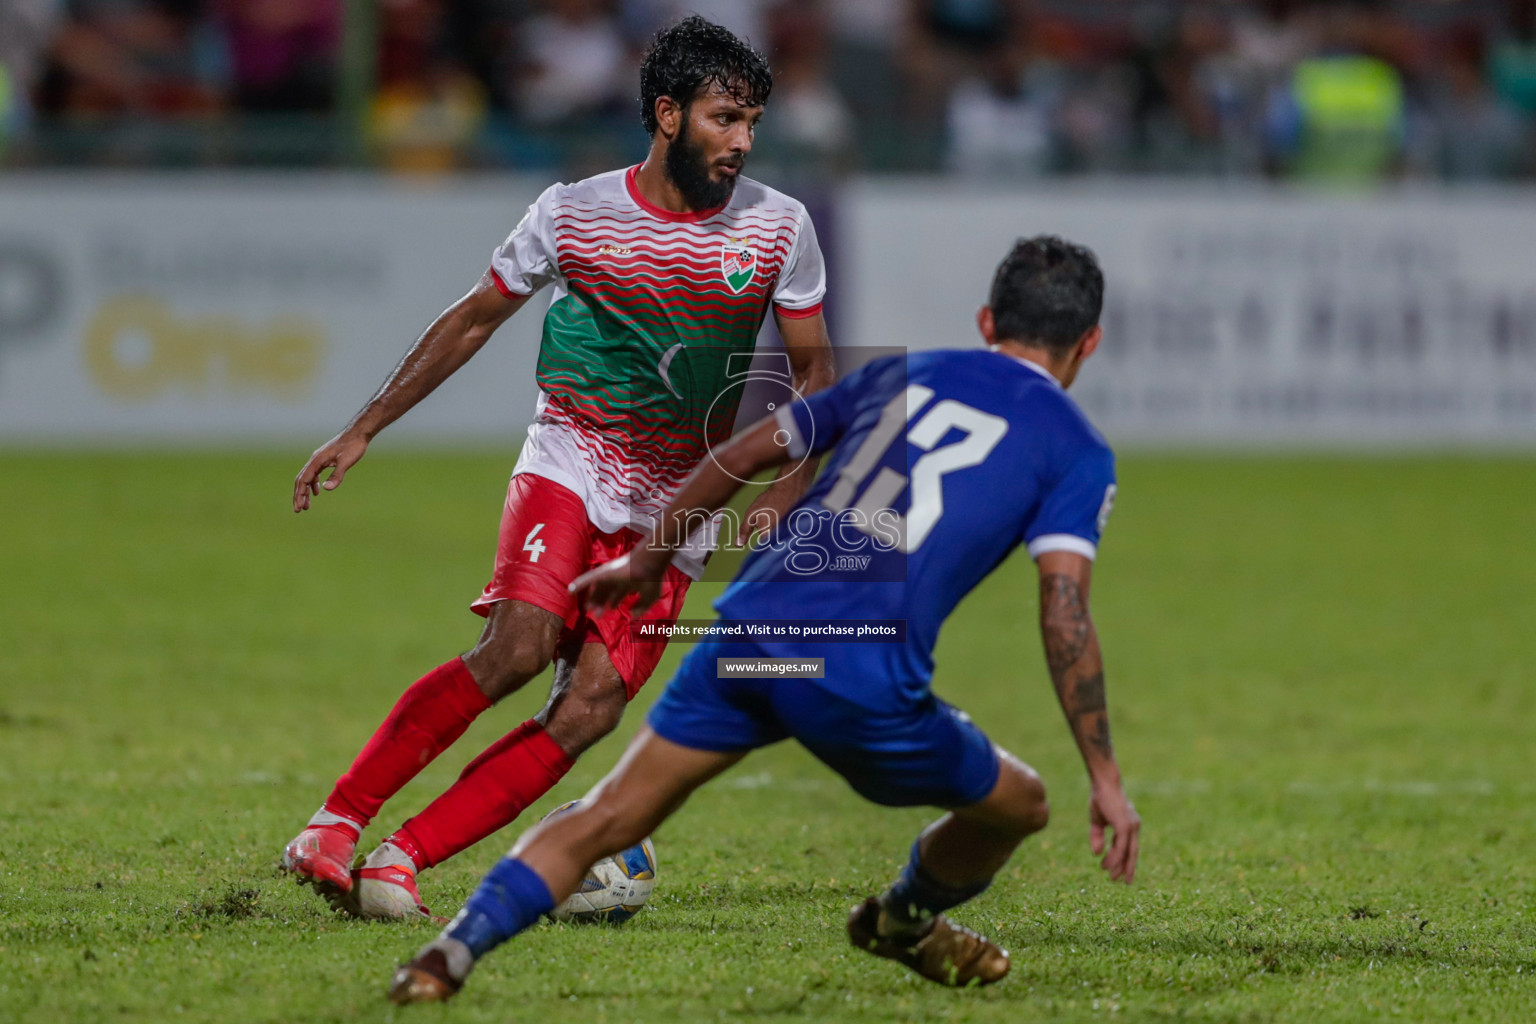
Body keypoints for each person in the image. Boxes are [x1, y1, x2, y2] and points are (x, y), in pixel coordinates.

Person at [387, 235, 1140, 1001]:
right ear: (1090, 342)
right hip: (859, 677)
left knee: (610, 812)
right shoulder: (1077, 450)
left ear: (986, 321)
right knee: (1021, 802)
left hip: (750, 634)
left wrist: (648, 557)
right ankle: (904, 919)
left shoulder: (902, 374)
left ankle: (445, 957)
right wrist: (1105, 777)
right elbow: (1063, 609)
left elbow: (743, 451)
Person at [280, 15, 835, 921]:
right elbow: (471, 319)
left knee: (589, 710)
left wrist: (786, 493)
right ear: (666, 114)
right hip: (573, 457)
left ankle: (399, 861)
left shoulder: (779, 227)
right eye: (724, 118)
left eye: (752, 124)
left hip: (679, 503)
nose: (741, 142)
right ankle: (333, 825)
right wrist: (363, 426)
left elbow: (815, 373)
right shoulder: (574, 210)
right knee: (519, 647)